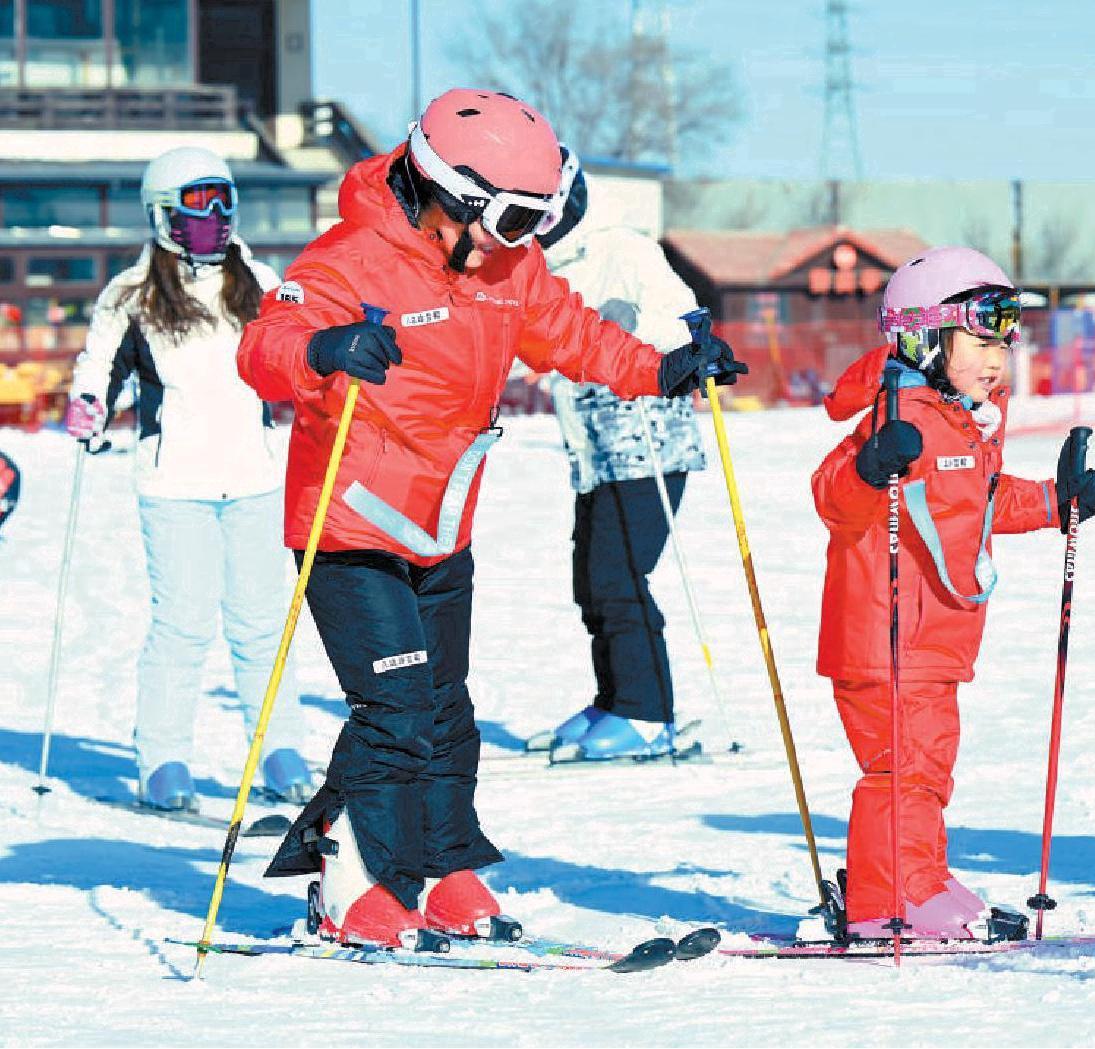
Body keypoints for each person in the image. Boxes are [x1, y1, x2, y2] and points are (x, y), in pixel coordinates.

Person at [236, 89, 744, 949]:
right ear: (449, 194)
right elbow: (264, 347)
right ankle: (350, 876)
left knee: (444, 707)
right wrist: (321, 351)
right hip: (352, 525)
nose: (522, 242)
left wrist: (665, 370)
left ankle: (435, 866)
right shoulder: (349, 258)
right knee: (394, 708)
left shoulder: (509, 269)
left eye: (537, 223)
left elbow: (575, 335)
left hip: (442, 521)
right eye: (510, 219)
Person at [810, 246, 1095, 938]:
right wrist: (869, 468)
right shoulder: (896, 416)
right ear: (922, 334)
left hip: (936, 639)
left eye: (1003, 338)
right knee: (901, 769)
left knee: (927, 770)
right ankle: (891, 901)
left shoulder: (963, 422)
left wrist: (1056, 500)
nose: (997, 355)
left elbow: (976, 502)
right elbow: (831, 496)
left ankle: (922, 877)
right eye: (979, 337)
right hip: (882, 635)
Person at [64, 146, 311, 813]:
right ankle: (164, 757)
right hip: (175, 484)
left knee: (262, 625)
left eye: (224, 201)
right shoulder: (132, 294)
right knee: (182, 624)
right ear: (162, 215)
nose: (215, 217)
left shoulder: (256, 279)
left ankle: (280, 746)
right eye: (198, 204)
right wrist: (89, 402)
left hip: (253, 474)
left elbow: (293, 348)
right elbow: (99, 366)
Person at [533, 148, 709, 761]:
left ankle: (646, 711)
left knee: (619, 576)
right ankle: (613, 698)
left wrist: (632, 323)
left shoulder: (623, 248)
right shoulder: (529, 265)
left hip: (648, 443)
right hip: (592, 447)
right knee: (590, 581)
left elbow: (685, 319)